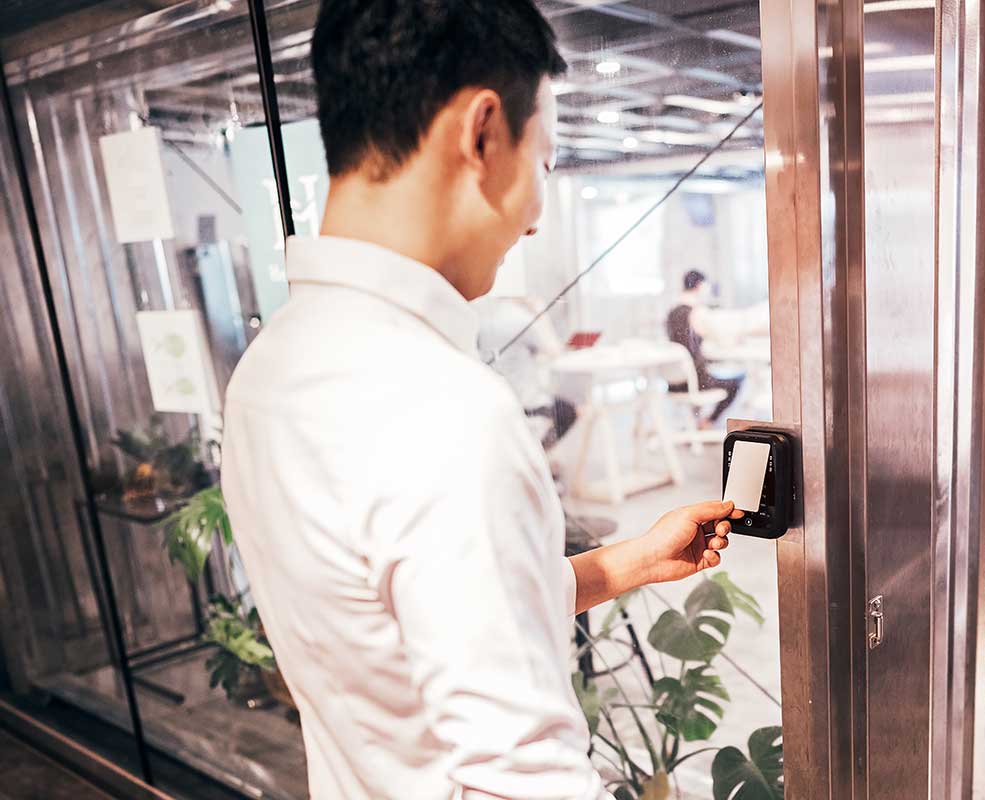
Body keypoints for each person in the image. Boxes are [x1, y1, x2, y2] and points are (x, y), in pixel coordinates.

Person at [218, 3, 738, 799]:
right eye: (547, 161)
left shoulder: (269, 369)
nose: (534, 218)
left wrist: (631, 561)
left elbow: (404, 633)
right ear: (483, 133)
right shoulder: (445, 412)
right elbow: (524, 781)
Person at [473, 293, 576, 448]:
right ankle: (542, 457)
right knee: (570, 412)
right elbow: (554, 352)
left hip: (498, 402)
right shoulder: (523, 320)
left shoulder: (483, 320)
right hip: (529, 404)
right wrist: (541, 314)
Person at [665, 269, 743, 424]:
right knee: (738, 380)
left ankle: (699, 422)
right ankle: (708, 422)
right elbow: (721, 338)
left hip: (675, 382)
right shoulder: (697, 312)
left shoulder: (672, 313)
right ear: (699, 286)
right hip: (695, 381)